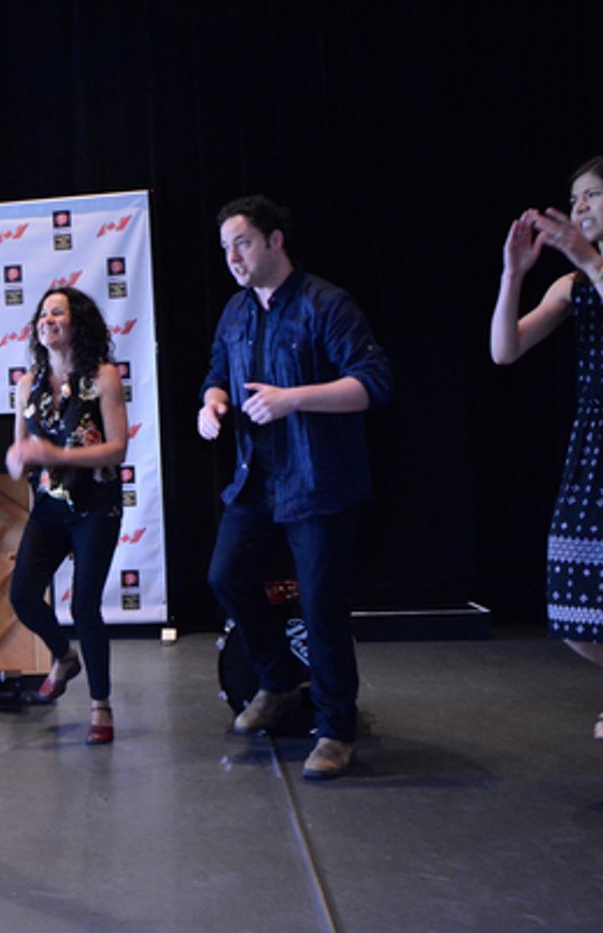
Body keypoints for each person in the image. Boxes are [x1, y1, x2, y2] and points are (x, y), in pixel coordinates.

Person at [199, 195, 391, 781]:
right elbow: (215, 372)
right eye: (227, 247)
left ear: (275, 241)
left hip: (318, 482)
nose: (233, 257)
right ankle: (279, 678)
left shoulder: (325, 303)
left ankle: (335, 729)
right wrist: (211, 402)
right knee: (224, 575)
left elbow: (372, 383)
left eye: (244, 243)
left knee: (322, 607)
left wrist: (292, 398)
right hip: (256, 478)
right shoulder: (235, 311)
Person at [490, 156, 603, 744]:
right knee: (574, 603)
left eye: (591, 197)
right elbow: (504, 350)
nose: (579, 208)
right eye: (575, 199)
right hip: (593, 446)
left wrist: (587, 257)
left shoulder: (589, 269)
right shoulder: (573, 284)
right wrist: (514, 275)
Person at [5, 287, 127, 745]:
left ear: (77, 322)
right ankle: (63, 656)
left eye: (57, 312)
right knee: (22, 595)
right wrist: (19, 461)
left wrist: (58, 453)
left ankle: (101, 705)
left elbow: (117, 448)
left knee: (84, 606)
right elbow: (20, 448)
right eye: (42, 314)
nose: (47, 320)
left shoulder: (103, 376)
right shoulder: (27, 383)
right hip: (51, 508)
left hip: (96, 506)